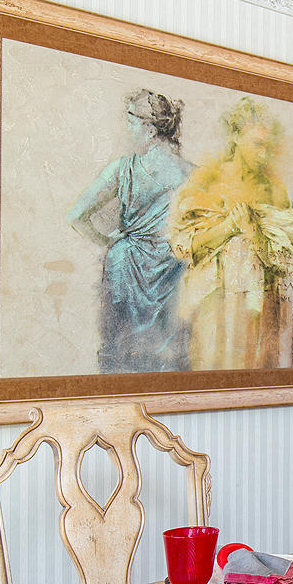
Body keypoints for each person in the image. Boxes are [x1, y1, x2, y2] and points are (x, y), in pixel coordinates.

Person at [169, 97, 293, 370]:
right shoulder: (207, 181)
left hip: (258, 307)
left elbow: (286, 260)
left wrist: (254, 233)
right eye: (257, 144)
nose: (263, 154)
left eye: (267, 146)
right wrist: (230, 227)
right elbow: (187, 247)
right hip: (215, 304)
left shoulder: (273, 191)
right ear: (236, 137)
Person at [66, 88, 191, 373]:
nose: (128, 130)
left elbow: (76, 215)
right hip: (172, 268)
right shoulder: (192, 174)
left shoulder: (121, 169)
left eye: (131, 123)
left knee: (121, 355)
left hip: (125, 267)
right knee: (168, 358)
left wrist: (107, 240)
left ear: (150, 129)